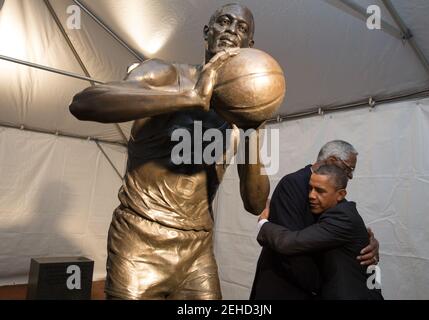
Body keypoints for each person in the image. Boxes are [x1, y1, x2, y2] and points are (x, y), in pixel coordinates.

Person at [69, 4, 269, 300]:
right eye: (224, 22)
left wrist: (253, 130)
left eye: (241, 28)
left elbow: (255, 203)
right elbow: (84, 103)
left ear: (249, 46)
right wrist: (188, 96)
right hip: (141, 237)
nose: (230, 30)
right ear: (207, 32)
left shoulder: (241, 113)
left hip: (197, 247)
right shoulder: (165, 73)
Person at [250, 140, 379, 299]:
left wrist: (367, 244)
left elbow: (345, 231)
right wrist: (318, 286)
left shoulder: (335, 195)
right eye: (349, 168)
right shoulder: (293, 183)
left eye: (319, 191)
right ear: (332, 161)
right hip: (285, 286)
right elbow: (291, 247)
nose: (351, 175)